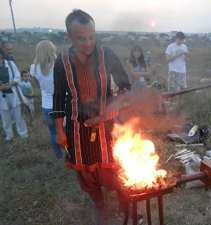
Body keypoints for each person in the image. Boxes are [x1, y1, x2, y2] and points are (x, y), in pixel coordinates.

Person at [53, 9, 131, 217]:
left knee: (115, 167)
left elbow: (125, 86)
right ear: (70, 37)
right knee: (85, 171)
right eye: (81, 39)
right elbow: (59, 97)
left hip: (107, 124)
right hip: (77, 127)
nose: (88, 43)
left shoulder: (107, 54)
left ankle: (127, 204)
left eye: (91, 37)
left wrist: (116, 104)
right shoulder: (62, 61)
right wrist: (59, 131)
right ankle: (100, 205)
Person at [30, 40, 64, 159]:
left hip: (46, 106)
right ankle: (69, 156)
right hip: (61, 104)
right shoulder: (59, 64)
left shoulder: (33, 68)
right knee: (65, 131)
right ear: (52, 50)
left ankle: (59, 155)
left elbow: (36, 85)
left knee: (53, 132)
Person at [0, 50, 28, 142]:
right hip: (2, 96)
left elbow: (17, 77)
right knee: (5, 117)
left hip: (13, 94)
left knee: (18, 115)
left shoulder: (11, 64)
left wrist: (10, 84)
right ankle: (9, 135)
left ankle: (23, 134)